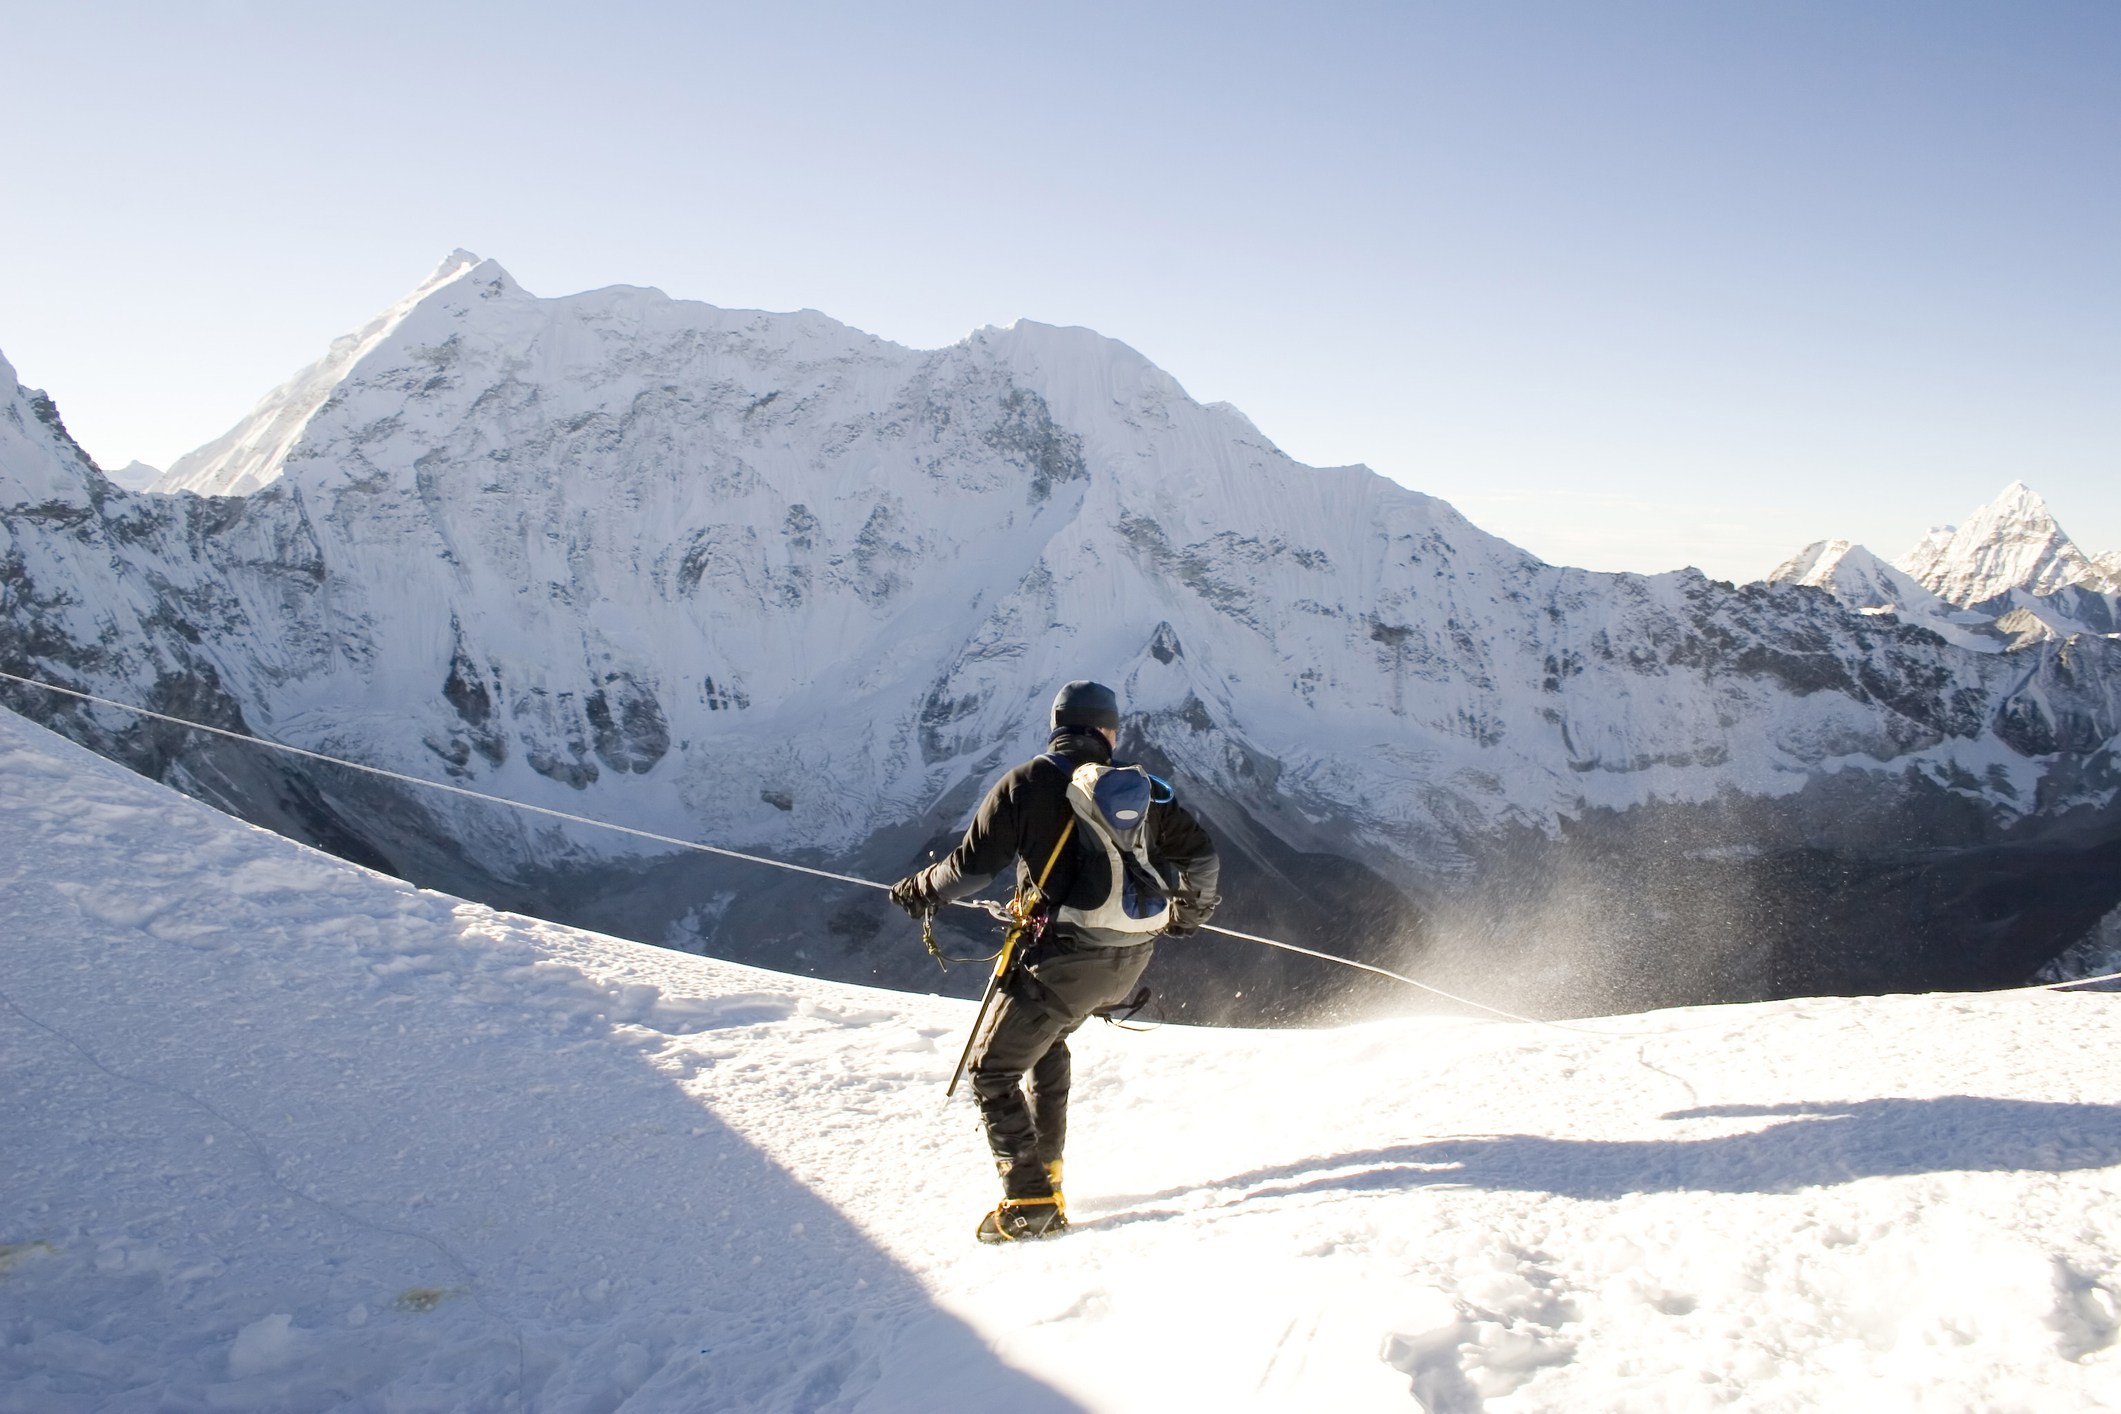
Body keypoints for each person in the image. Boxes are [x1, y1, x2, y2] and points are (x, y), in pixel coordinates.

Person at [889, 680, 1220, 1242]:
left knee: (991, 1071)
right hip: (1130, 955)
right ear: (1106, 731)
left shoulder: (1027, 782)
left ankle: (1030, 1202)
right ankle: (1050, 1178)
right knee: (1047, 1042)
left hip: (1065, 961)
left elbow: (970, 869)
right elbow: (1202, 855)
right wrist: (1188, 916)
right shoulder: (1145, 790)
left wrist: (920, 890)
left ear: (1058, 725)